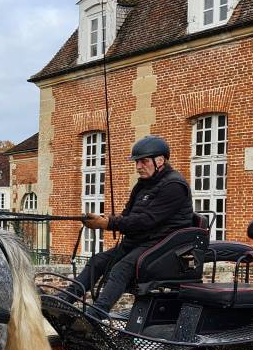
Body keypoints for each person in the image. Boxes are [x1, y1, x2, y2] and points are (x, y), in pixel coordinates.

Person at [69, 135, 195, 319]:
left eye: (143, 161)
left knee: (122, 269)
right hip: (141, 241)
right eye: (137, 162)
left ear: (160, 160)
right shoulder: (143, 185)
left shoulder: (174, 185)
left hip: (163, 245)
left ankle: (95, 315)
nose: (138, 167)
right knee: (98, 261)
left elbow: (147, 220)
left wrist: (107, 223)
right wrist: (105, 219)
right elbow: (129, 216)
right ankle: (64, 298)